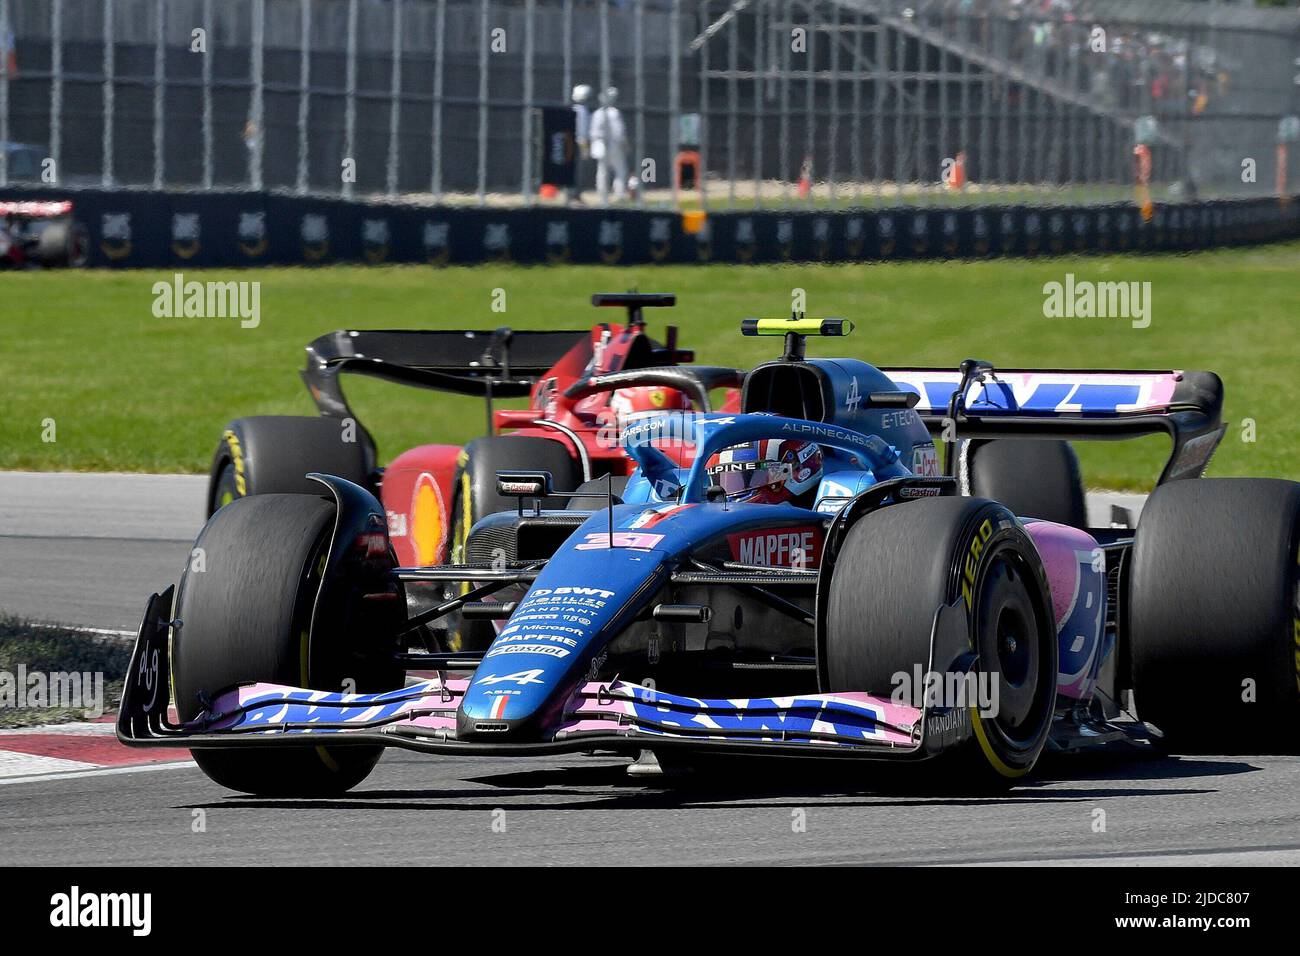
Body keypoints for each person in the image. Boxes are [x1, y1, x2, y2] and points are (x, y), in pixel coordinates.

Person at [589, 86, 629, 205]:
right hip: (613, 145)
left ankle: (602, 193)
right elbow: (619, 132)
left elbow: (593, 132)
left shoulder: (597, 113)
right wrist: (625, 144)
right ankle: (620, 193)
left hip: (600, 145)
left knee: (602, 170)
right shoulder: (614, 113)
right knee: (620, 170)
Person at [569, 84, 592, 204]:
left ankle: (573, 194)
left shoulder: (574, 109)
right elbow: (582, 132)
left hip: (572, 142)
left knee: (573, 170)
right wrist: (585, 148)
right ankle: (575, 195)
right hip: (579, 143)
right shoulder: (582, 111)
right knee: (577, 171)